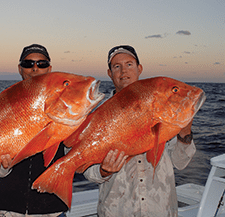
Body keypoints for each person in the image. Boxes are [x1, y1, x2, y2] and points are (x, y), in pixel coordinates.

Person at [83, 45, 196, 217]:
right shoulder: (98, 117)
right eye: (116, 66)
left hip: (161, 210)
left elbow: (180, 163)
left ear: (139, 68)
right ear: (109, 73)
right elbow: (85, 169)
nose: (123, 71)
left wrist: (184, 133)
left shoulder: (163, 109)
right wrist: (102, 171)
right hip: (116, 210)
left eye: (129, 64)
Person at [0, 44, 68, 217]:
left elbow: (74, 153)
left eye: (42, 64)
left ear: (50, 69)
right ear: (20, 69)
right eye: (28, 63)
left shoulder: (68, 104)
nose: (35, 68)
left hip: (52, 210)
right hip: (6, 209)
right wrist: (1, 166)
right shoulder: (3, 105)